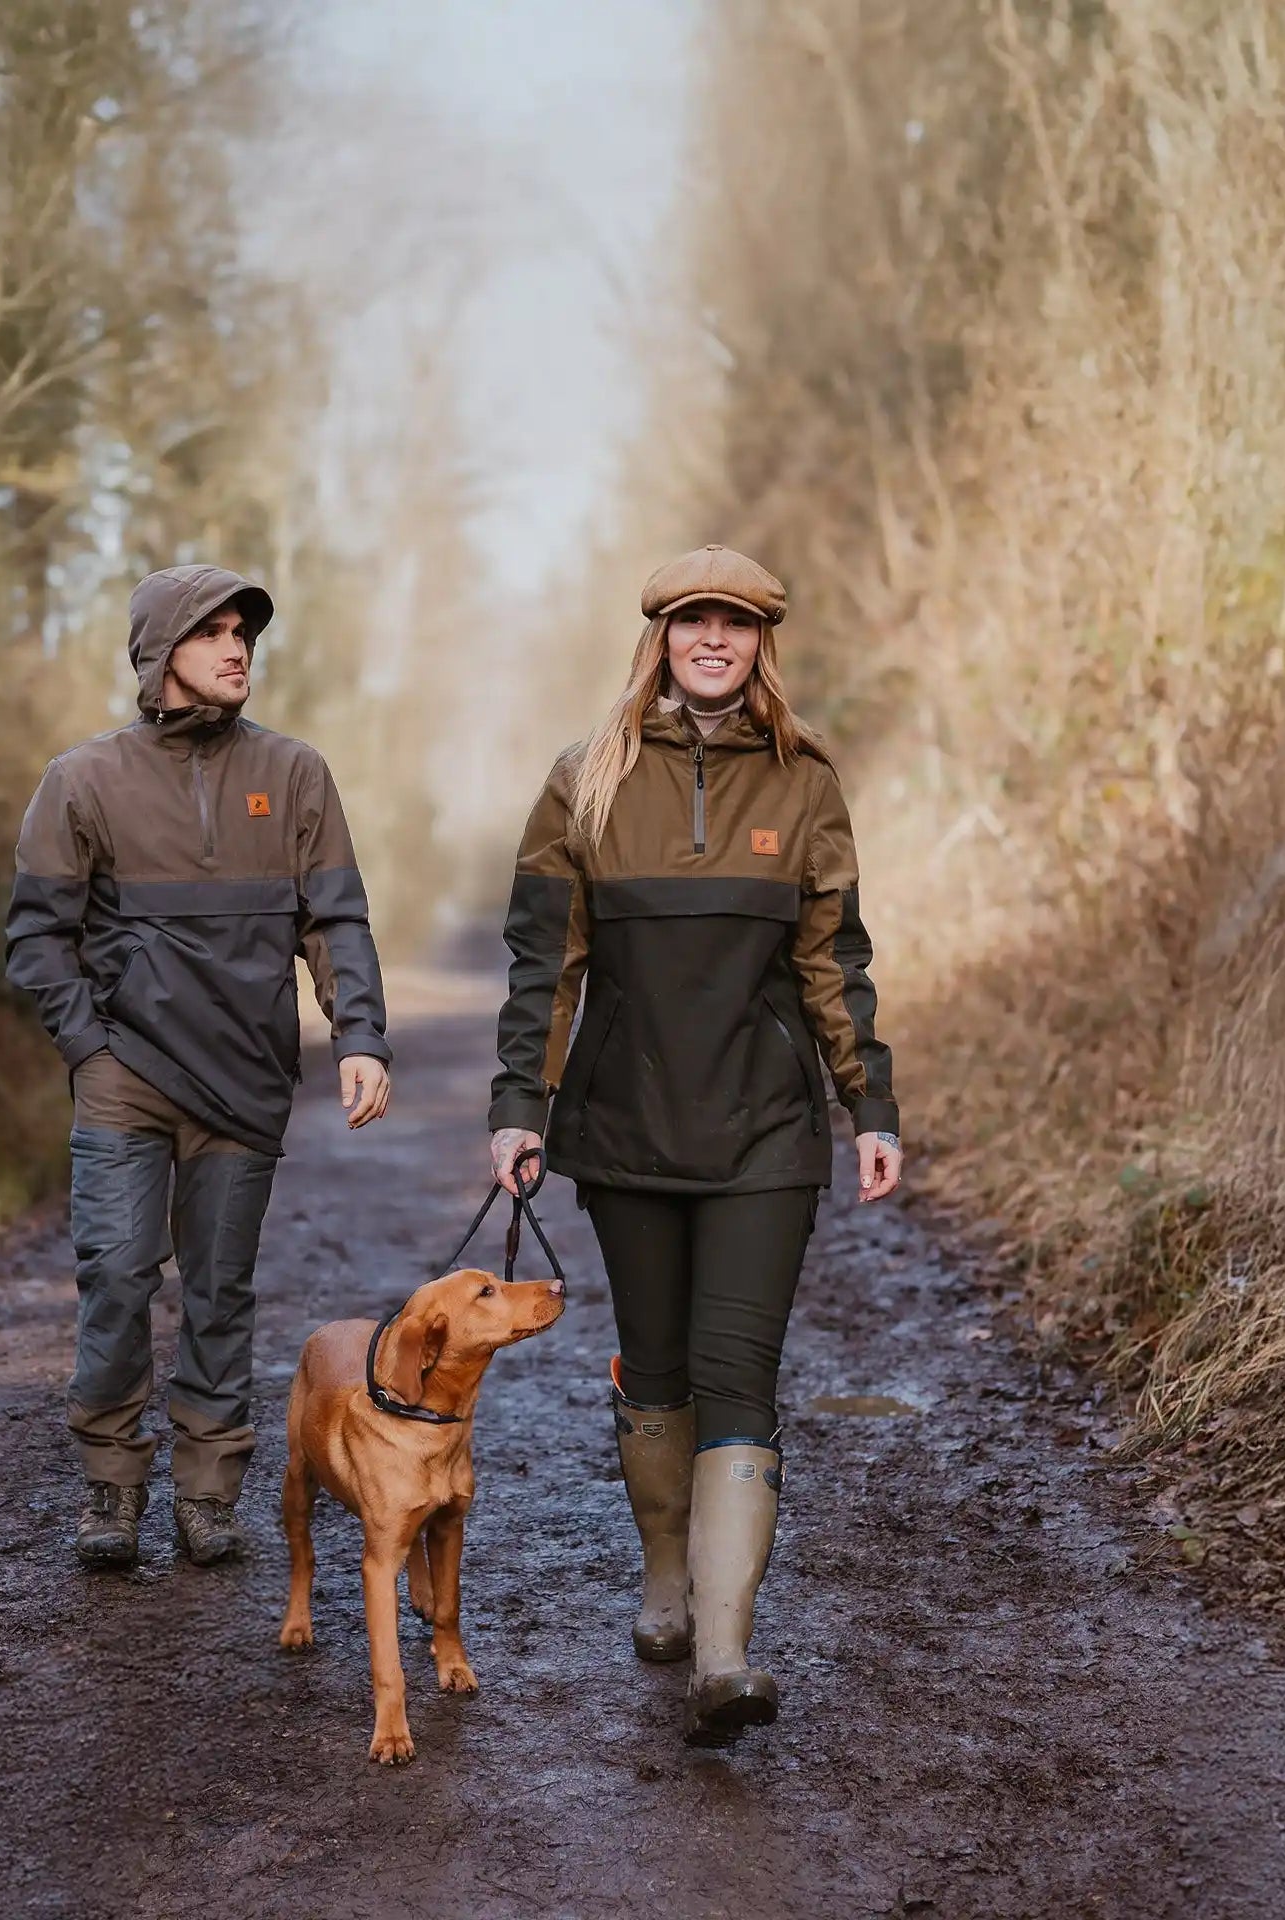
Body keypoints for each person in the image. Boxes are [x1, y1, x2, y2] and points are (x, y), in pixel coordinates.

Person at [487, 544, 901, 1745]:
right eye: (690, 621)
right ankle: (664, 1578)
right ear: (660, 637)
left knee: (739, 1372)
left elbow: (837, 964)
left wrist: (868, 1107)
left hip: (766, 1132)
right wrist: (521, 1104)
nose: (713, 640)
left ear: (762, 642)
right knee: (653, 1366)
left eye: (735, 624)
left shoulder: (806, 781)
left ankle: (724, 1650)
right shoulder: (588, 779)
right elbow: (543, 961)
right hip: (624, 1126)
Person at [6, 564, 393, 1570]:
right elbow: (36, 938)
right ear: (159, 652)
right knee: (117, 1278)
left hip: (246, 1079)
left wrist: (359, 1037)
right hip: (125, 1075)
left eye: (245, 634)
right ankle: (111, 1485)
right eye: (213, 632)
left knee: (221, 1291)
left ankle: (209, 1491)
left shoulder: (297, 774)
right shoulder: (83, 780)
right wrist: (88, 1043)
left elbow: (334, 921)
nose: (237, 650)